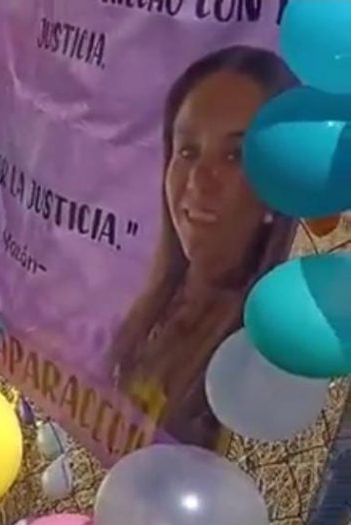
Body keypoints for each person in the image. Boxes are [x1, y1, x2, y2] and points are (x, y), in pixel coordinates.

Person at [109, 46, 299, 447]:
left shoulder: (265, 355)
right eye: (187, 151)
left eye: (234, 156)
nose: (198, 180)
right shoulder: (149, 306)